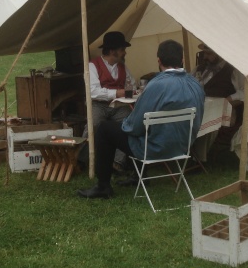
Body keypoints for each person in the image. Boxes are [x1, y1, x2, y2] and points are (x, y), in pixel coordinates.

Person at [77, 39, 205, 199]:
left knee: (105, 129)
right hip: (182, 147)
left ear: (159, 61)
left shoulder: (156, 85)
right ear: (182, 60)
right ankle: (139, 176)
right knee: (135, 127)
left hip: (155, 148)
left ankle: (103, 186)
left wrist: (127, 124)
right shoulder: (196, 84)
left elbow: (134, 126)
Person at [78, 31, 138, 171]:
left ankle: (117, 162)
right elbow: (93, 92)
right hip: (98, 104)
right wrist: (117, 92)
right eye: (122, 50)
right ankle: (82, 160)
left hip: (118, 106)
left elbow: (132, 84)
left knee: (128, 123)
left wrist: (130, 91)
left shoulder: (123, 67)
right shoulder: (92, 66)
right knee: (94, 123)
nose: (125, 53)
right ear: (112, 51)